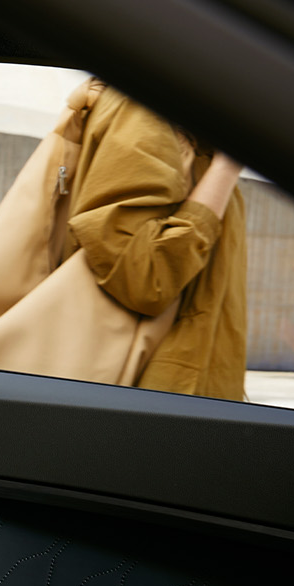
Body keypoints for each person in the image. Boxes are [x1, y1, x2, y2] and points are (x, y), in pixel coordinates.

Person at [65, 85, 248, 399]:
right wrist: (227, 166)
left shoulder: (190, 133)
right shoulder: (145, 113)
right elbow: (146, 277)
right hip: (156, 400)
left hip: (171, 398)